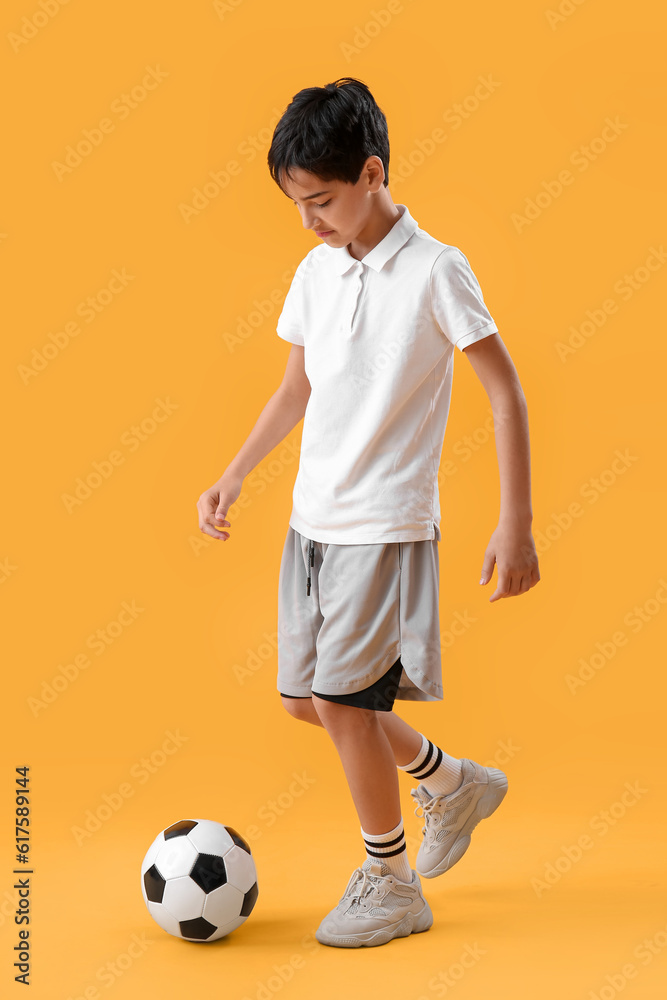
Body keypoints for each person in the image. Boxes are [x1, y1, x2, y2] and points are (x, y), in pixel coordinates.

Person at [197, 77, 540, 949]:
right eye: (297, 204)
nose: (308, 220)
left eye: (321, 200)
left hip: (383, 523)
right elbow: (294, 389)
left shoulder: (435, 268)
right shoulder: (315, 269)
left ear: (372, 173)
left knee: (346, 704)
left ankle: (391, 883)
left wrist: (515, 522)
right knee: (307, 702)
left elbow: (503, 389)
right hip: (311, 521)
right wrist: (233, 474)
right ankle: (450, 781)